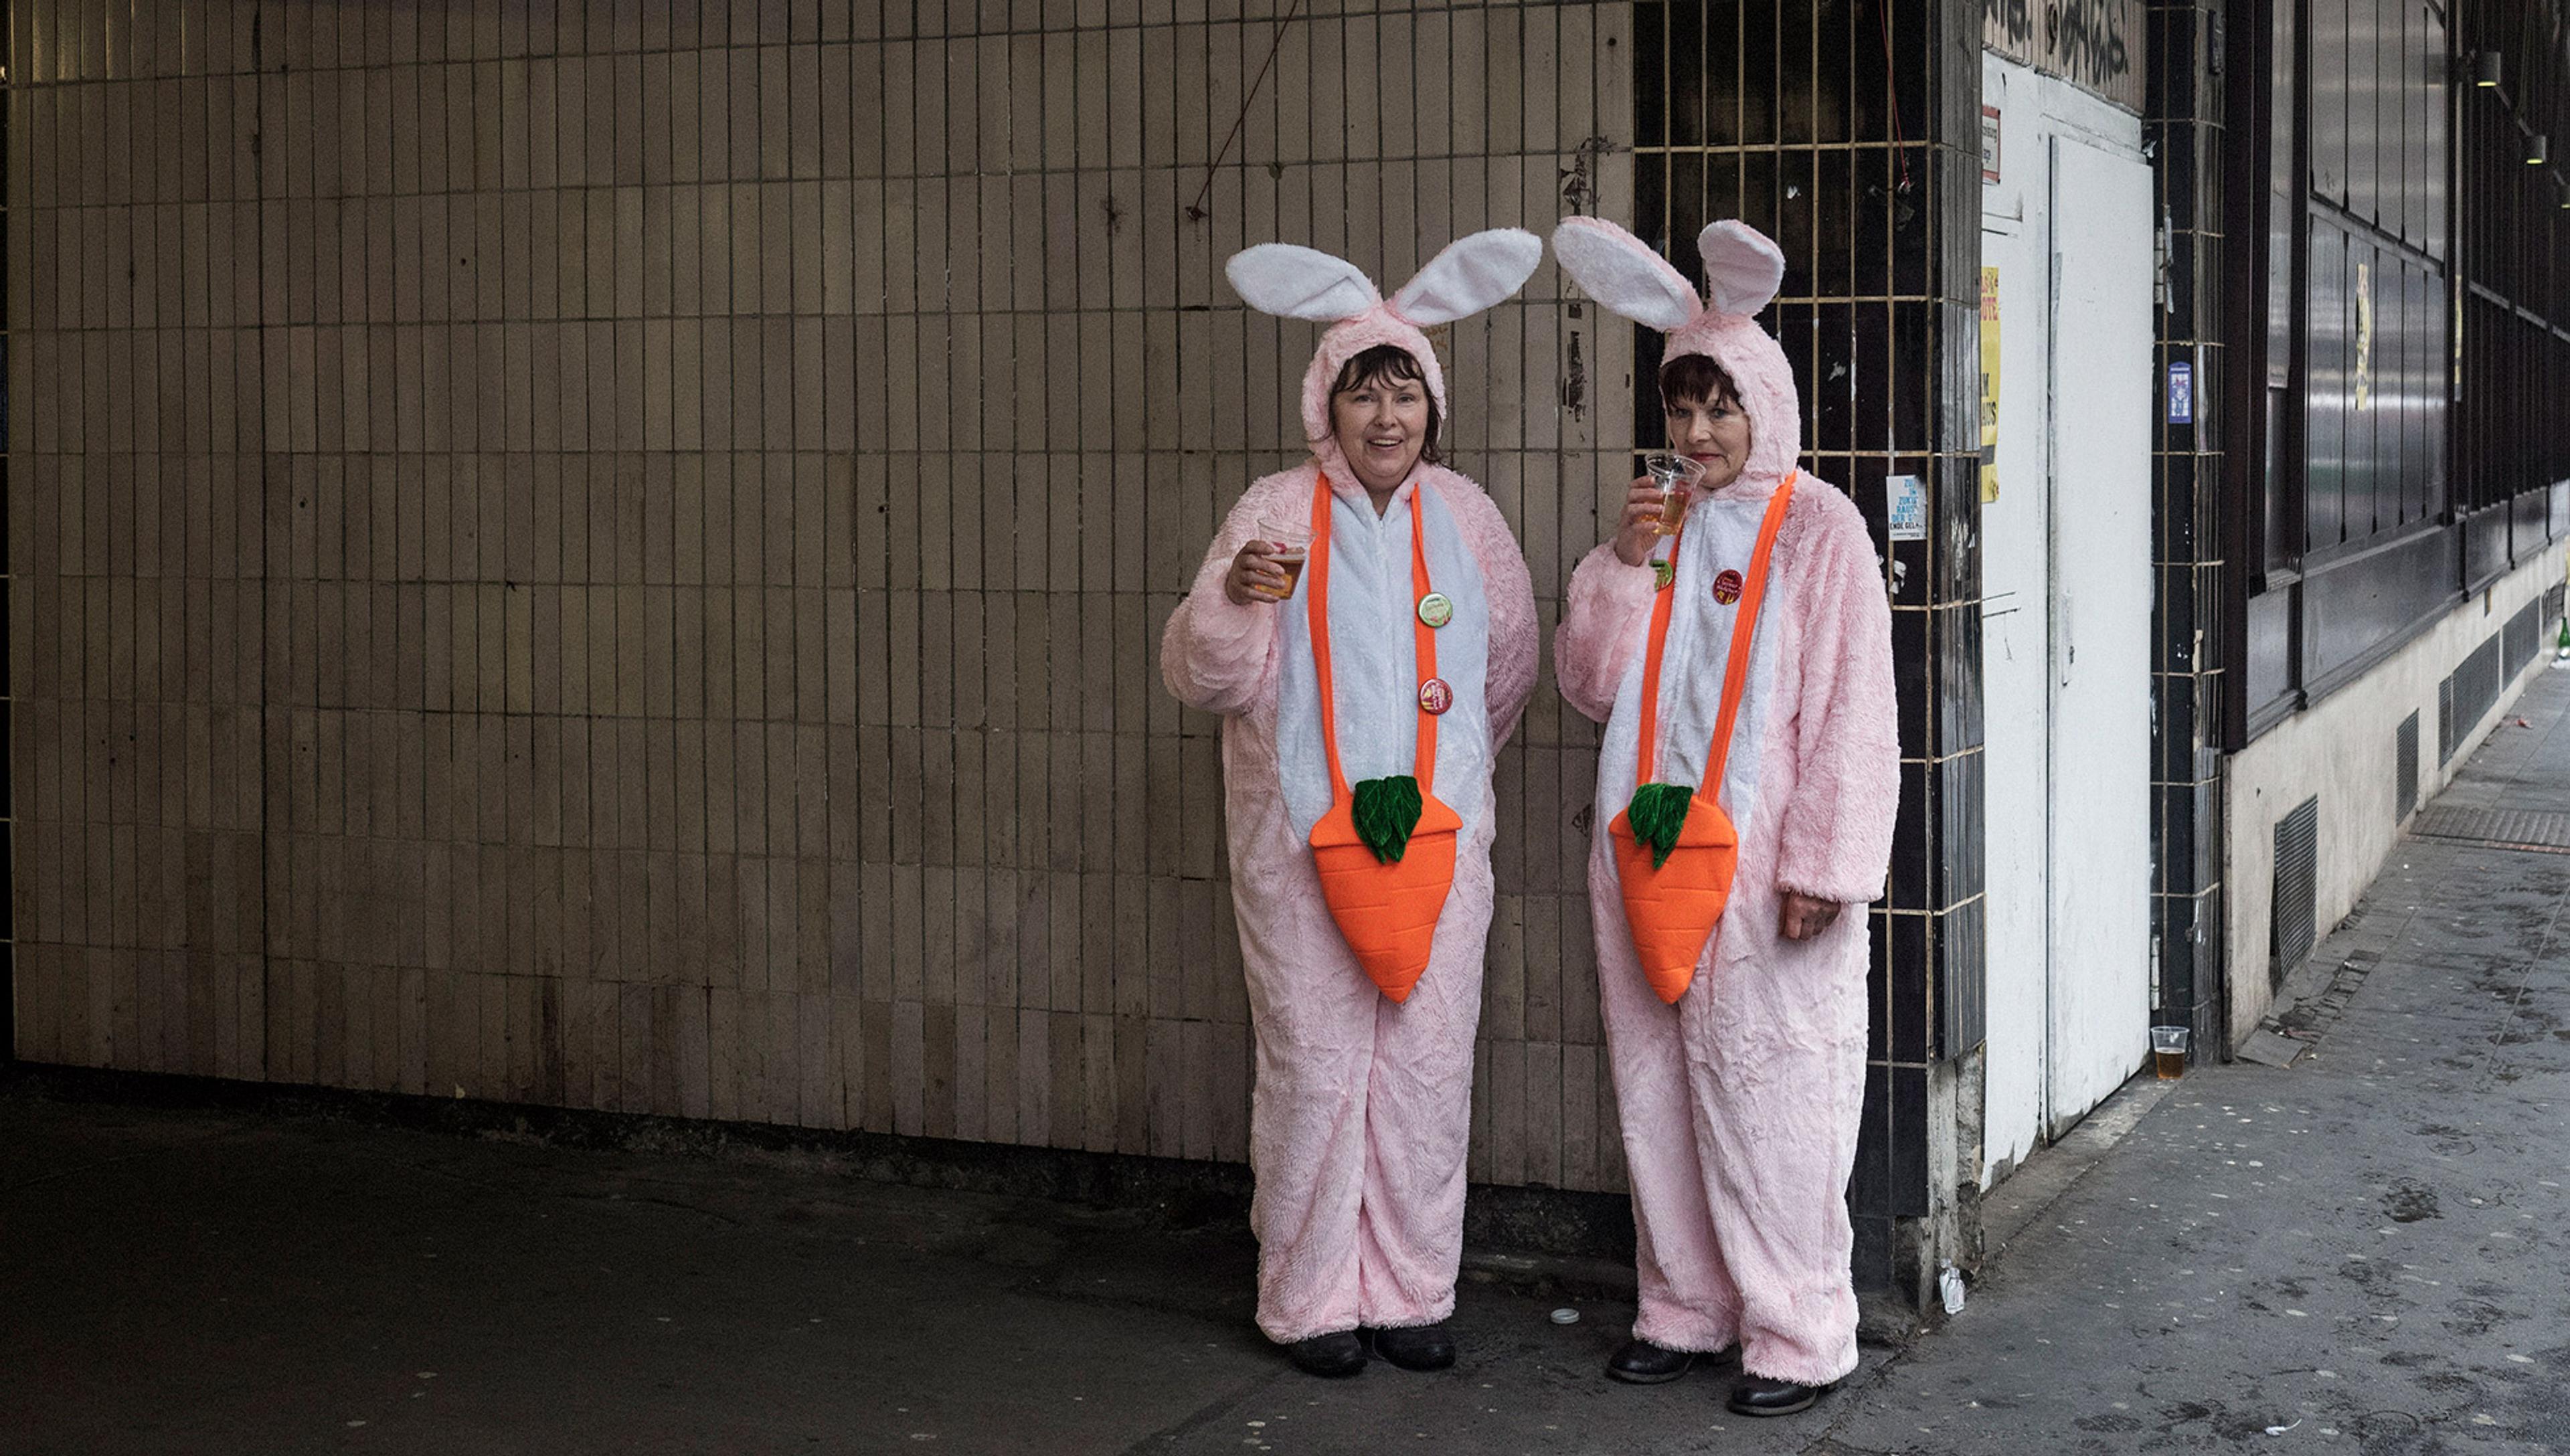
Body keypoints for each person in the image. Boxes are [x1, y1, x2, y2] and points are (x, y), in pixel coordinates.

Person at [1160, 231, 1542, 1378]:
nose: (1387, 417)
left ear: (1435, 405)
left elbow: (1508, 669)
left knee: (1427, 1068)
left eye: (1406, 392)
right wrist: (1232, 599)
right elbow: (1202, 675)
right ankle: (1311, 1298)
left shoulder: (1468, 520)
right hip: (1298, 842)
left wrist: (1459, 790)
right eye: (1363, 392)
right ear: (1326, 403)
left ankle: (1413, 1290)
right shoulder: (1274, 510)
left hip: (1435, 841)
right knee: (1318, 1069)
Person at [1549, 216, 1899, 1417]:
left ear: (1767, 405)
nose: (1697, 436)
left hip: (1764, 871)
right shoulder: (1661, 524)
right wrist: (1618, 561)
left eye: (1720, 408)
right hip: (1643, 851)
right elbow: (1588, 685)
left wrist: (1828, 864)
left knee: (1779, 1091)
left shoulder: (1822, 528)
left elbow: (1857, 711)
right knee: (1656, 1083)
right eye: (1682, 409)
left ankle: (1801, 1329)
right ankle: (1686, 1307)